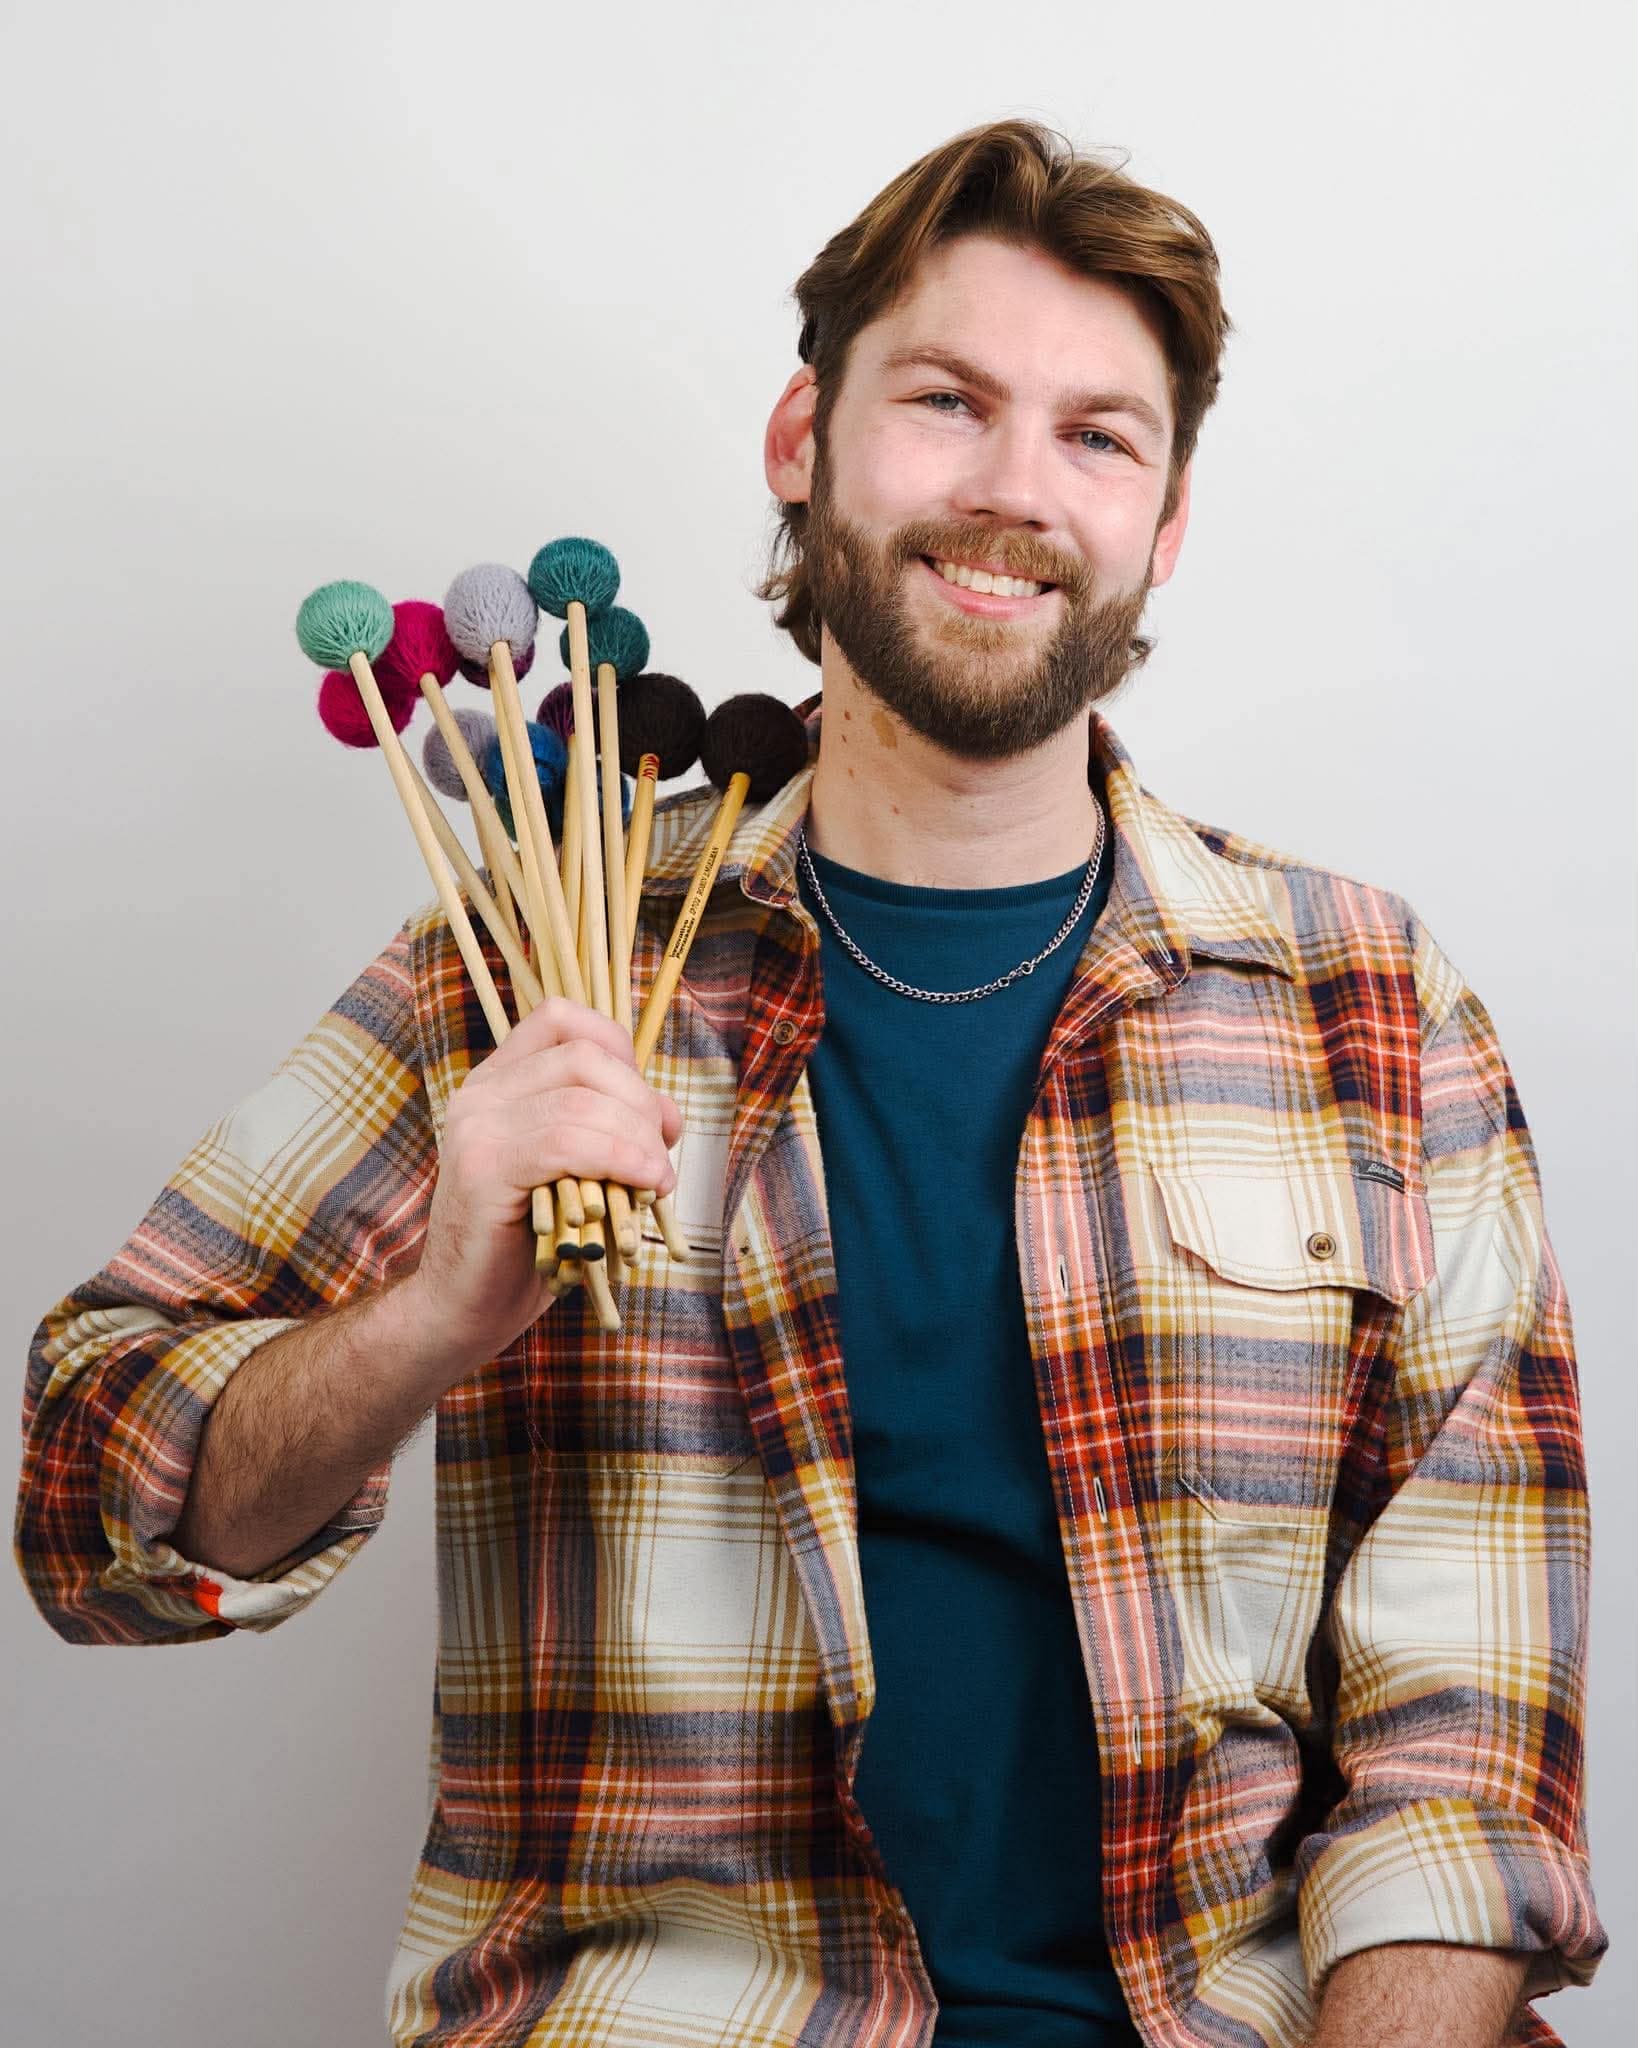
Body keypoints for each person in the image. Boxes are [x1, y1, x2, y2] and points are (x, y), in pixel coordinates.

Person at [15, 119, 1606, 2048]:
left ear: (1164, 523)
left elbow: (1462, 1742)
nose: (1015, 491)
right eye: (947, 402)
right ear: (803, 442)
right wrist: (427, 1313)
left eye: (1099, 435)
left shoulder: (1366, 1000)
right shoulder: (535, 958)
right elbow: (85, 1505)